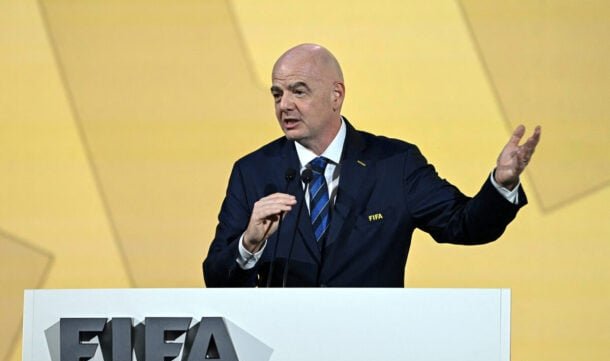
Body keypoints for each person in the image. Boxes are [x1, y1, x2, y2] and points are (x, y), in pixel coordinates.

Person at [202, 43, 540, 287]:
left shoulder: (395, 164)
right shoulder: (254, 172)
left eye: (298, 92)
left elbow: (465, 225)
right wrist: (249, 244)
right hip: (285, 351)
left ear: (336, 95)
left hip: (374, 348)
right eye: (277, 94)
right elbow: (216, 277)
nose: (284, 105)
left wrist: (502, 183)